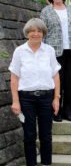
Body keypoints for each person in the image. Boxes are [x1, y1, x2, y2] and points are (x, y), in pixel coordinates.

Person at [9, 18, 61, 166]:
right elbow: (14, 78)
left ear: (43, 33)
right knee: (29, 135)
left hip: (46, 98)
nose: (36, 34)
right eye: (32, 31)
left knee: (46, 135)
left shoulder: (49, 50)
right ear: (27, 33)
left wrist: (56, 98)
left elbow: (56, 75)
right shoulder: (19, 51)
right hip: (26, 99)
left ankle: (46, 163)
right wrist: (15, 101)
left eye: (39, 31)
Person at [41, 0, 71, 122]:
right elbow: (42, 32)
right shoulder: (46, 12)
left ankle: (69, 112)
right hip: (54, 51)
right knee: (56, 81)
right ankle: (56, 112)